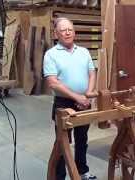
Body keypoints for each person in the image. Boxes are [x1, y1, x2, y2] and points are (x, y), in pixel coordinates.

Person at [43, 17, 97, 180]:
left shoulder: (84, 52)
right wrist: (77, 98)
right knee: (62, 143)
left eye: (70, 30)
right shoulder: (51, 54)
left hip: (84, 101)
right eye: (63, 30)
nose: (67, 33)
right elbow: (53, 83)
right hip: (64, 104)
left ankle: (83, 171)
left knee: (82, 139)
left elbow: (92, 72)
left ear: (74, 32)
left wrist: (87, 95)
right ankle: (59, 176)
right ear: (56, 33)